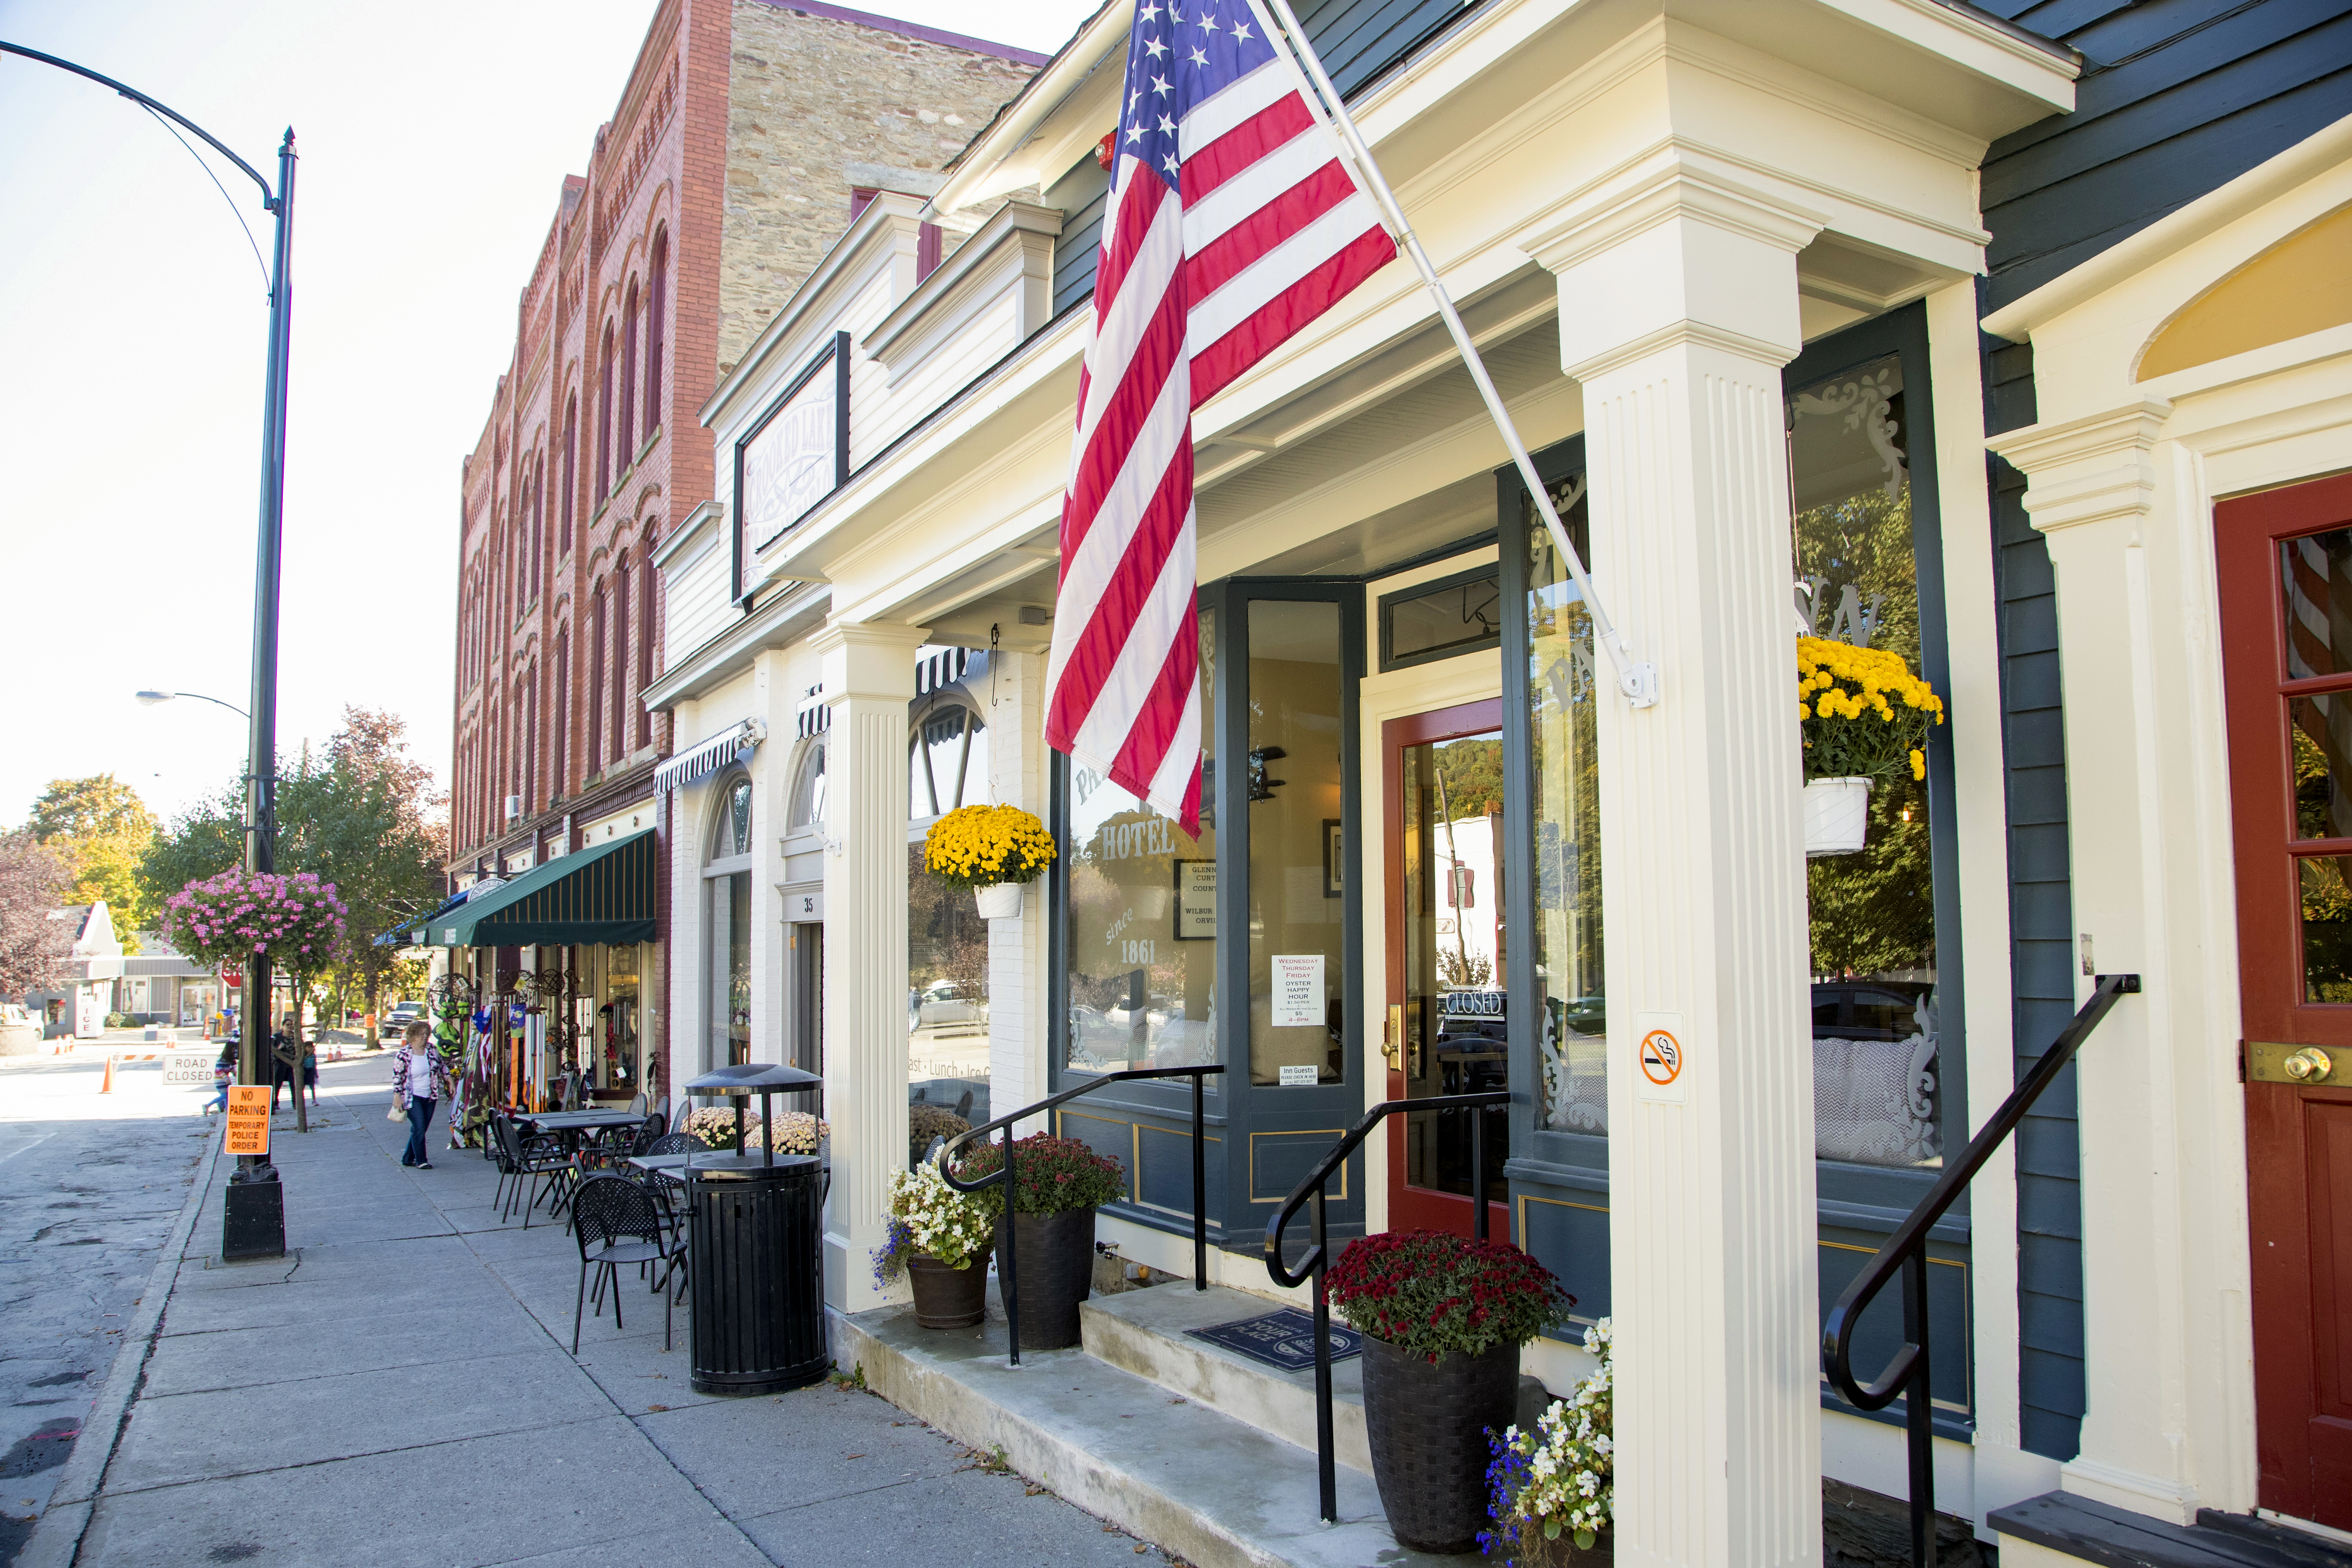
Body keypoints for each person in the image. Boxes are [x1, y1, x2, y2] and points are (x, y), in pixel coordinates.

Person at [390, 1021, 453, 1170]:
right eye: (421, 1034)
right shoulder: (404, 1055)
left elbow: (442, 1066)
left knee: (421, 1128)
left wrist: (450, 1080)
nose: (425, 1037)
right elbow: (397, 1077)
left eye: (427, 1034)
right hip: (412, 1097)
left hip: (430, 1096)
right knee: (419, 1127)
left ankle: (408, 1158)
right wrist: (397, 1096)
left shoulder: (432, 1050)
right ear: (412, 1037)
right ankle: (421, 1161)